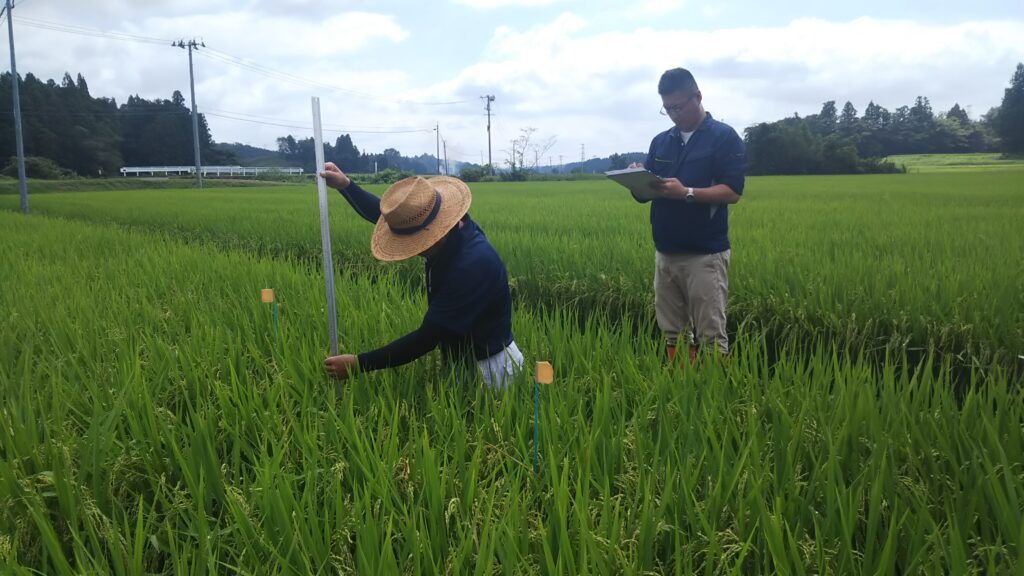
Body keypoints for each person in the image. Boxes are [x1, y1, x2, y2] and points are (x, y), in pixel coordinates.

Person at [319, 163, 524, 389]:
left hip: (490, 369)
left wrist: (359, 363)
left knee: (482, 419)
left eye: (415, 244)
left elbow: (426, 338)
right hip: (460, 359)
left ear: (434, 234)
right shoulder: (452, 226)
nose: (414, 250)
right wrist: (346, 186)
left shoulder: (470, 267)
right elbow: (390, 217)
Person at [629, 67, 746, 362]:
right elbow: (646, 193)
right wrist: (636, 180)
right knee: (673, 333)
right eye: (666, 109)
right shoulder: (662, 141)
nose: (673, 114)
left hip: (704, 256)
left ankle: (713, 395)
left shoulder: (723, 137)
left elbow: (732, 191)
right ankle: (681, 389)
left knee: (710, 334)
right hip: (665, 254)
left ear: (698, 96)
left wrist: (688, 192)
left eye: (678, 107)